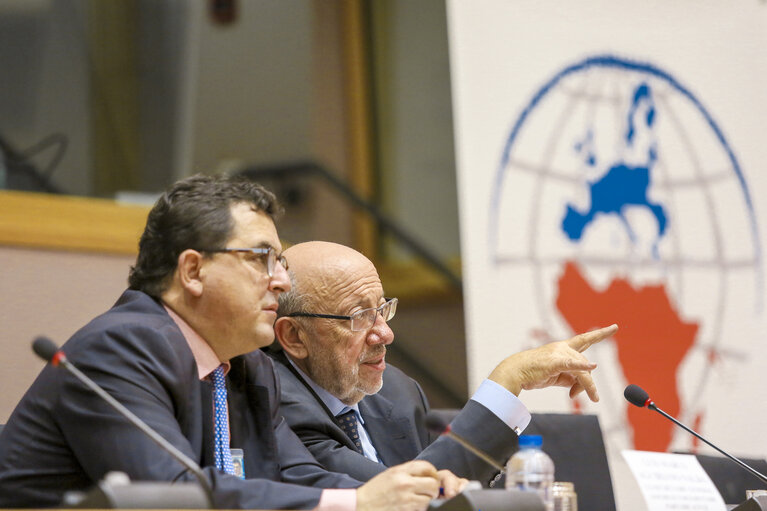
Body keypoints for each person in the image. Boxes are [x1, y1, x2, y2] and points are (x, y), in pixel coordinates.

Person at [0, 176, 462, 510]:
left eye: (280, 262)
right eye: (262, 259)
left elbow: (294, 472)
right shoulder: (118, 350)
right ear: (194, 271)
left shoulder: (244, 364)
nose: (281, 282)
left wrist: (409, 492)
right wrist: (358, 503)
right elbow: (173, 495)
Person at [270, 240, 618, 484]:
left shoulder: (397, 391)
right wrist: (508, 381)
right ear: (295, 337)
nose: (385, 334)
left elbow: (452, 489)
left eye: (382, 309)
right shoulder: (276, 406)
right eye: (359, 316)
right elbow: (411, 496)